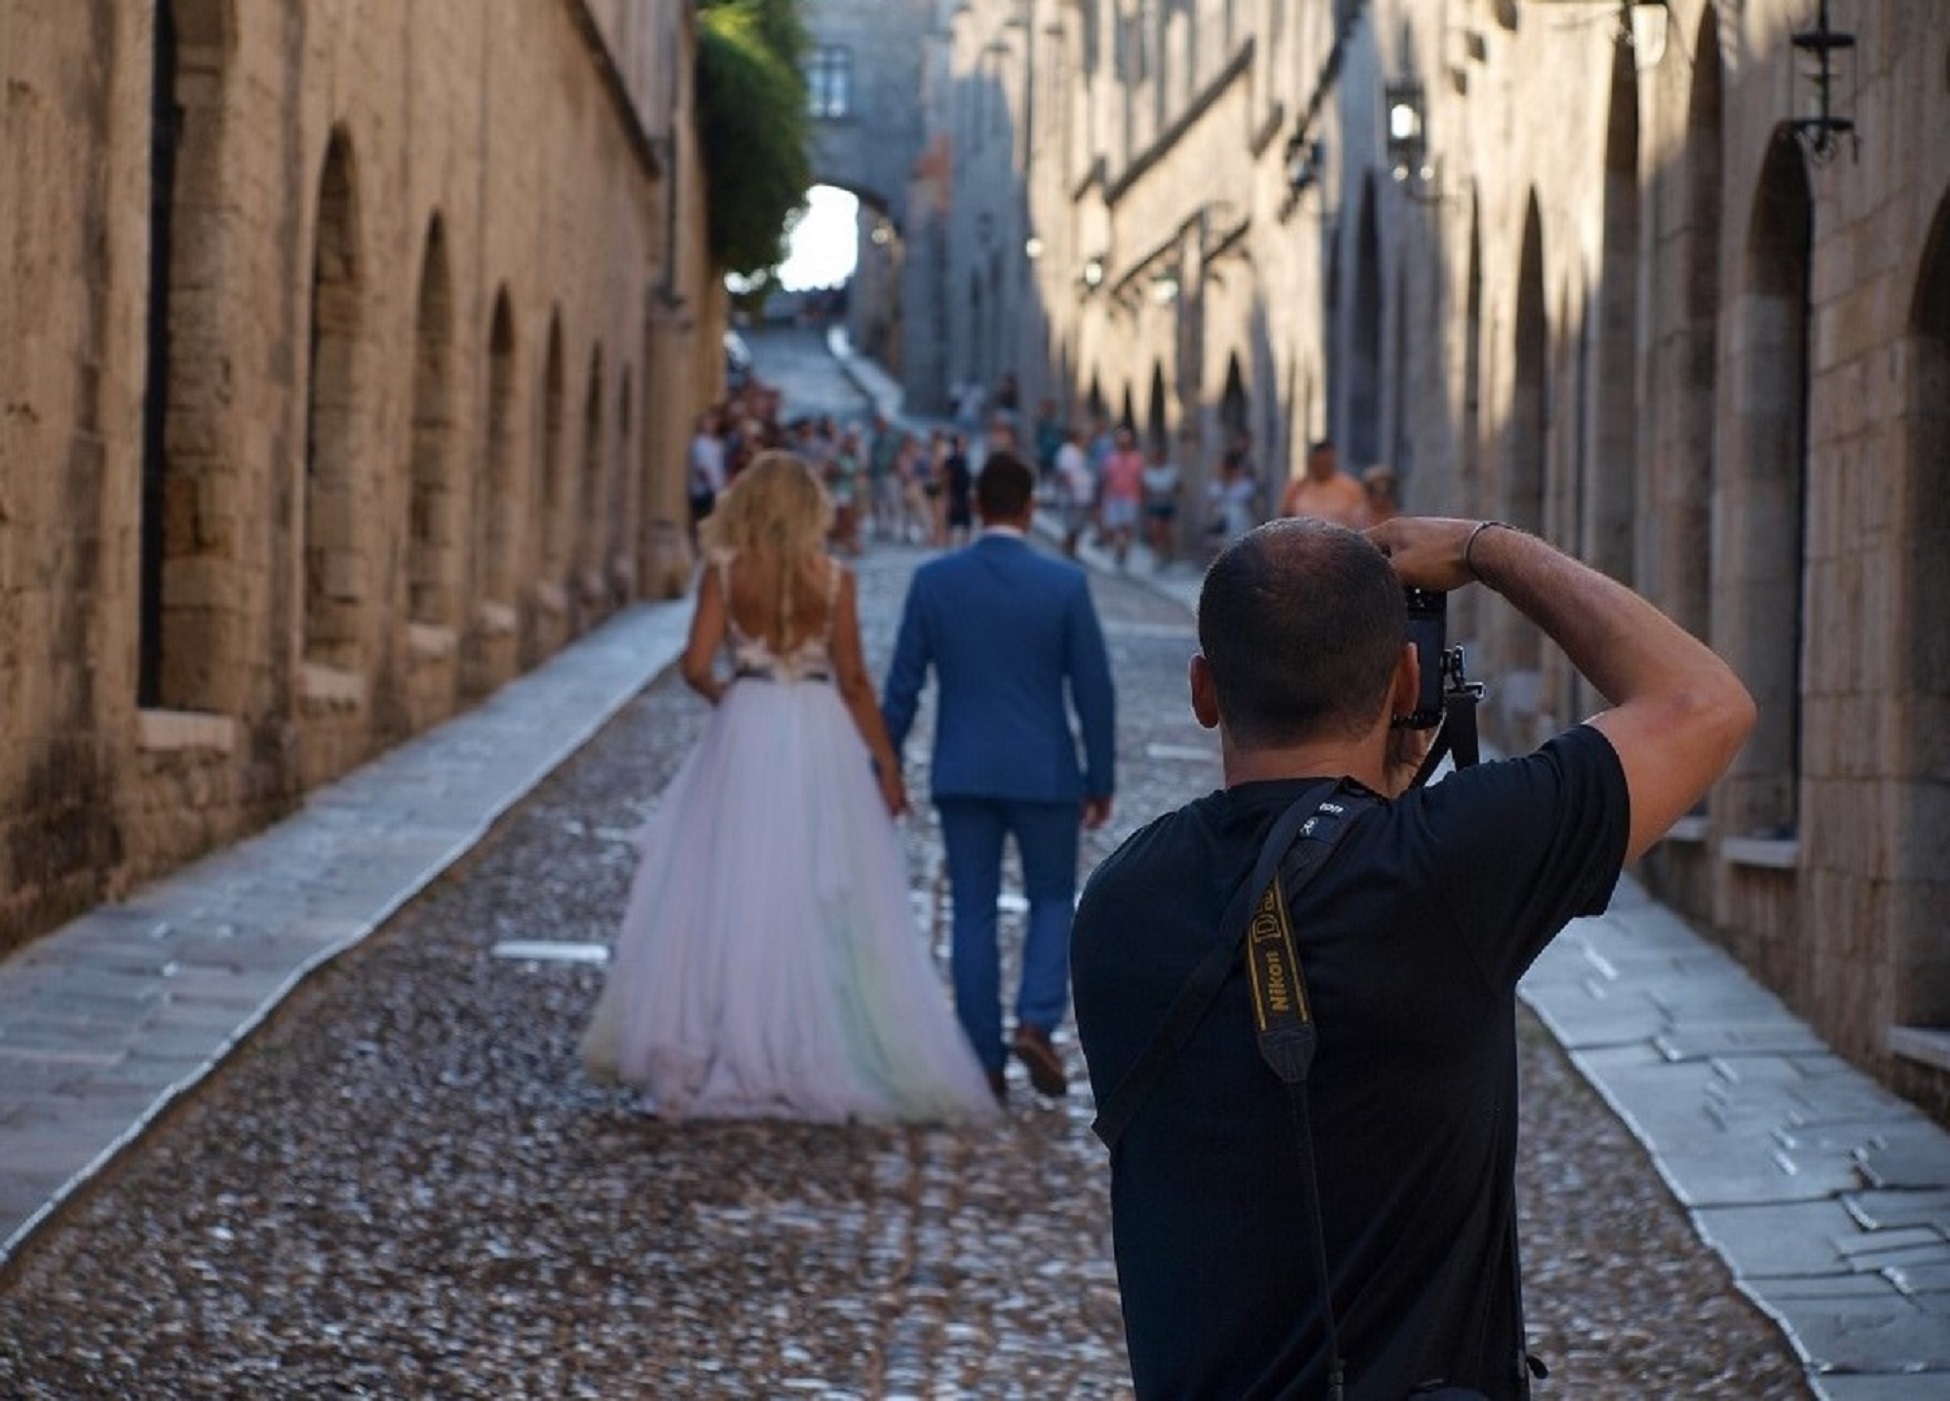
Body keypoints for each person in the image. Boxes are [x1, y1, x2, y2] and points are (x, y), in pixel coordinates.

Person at [1071, 517, 1755, 1397]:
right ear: (1405, 678)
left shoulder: (1119, 903)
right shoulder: (1449, 870)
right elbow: (1706, 702)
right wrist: (1484, 550)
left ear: (1205, 690)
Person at [580, 453, 999, 1125]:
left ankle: (714, 1037)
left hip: (744, 726)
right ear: (810, 510)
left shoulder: (723, 572)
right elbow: (857, 680)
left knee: (725, 883)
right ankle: (814, 1037)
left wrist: (727, 693)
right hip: (817, 725)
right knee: (816, 884)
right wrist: (887, 765)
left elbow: (692, 663)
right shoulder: (834, 580)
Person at [882, 452, 1118, 1103]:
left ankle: (983, 1056)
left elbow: (902, 685)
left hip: (963, 769)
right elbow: (1094, 690)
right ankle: (1037, 1019)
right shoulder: (1064, 585)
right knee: (1050, 898)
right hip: (1045, 770)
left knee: (973, 911)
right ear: (1029, 507)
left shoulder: (934, 582)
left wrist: (884, 761)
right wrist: (1100, 775)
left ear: (977, 505)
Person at [1282, 436, 1369, 526]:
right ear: (1311, 461)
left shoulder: (1351, 488)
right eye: (1318, 463)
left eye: (1326, 464)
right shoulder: (1296, 487)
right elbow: (1285, 517)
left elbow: (1361, 521)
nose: (1321, 467)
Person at [1098, 427, 1146, 568]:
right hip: (1113, 497)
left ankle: (1124, 552)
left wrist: (1142, 496)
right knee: (1115, 526)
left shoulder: (1137, 459)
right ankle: (1119, 550)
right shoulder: (1110, 458)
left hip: (1131, 497)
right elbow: (1105, 478)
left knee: (1127, 526)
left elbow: (1140, 479)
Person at [1139, 440, 1182, 566]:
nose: (1158, 459)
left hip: (1167, 503)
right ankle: (1156, 556)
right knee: (1155, 529)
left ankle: (1169, 553)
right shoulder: (1149, 472)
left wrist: (1173, 490)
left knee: (1167, 531)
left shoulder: (1171, 470)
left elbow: (1179, 487)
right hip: (1154, 504)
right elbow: (1145, 488)